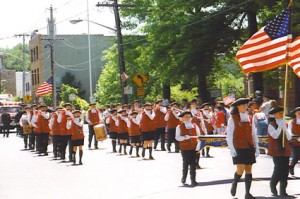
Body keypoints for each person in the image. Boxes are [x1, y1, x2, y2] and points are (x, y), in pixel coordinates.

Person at [226, 98, 259, 199]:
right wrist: (231, 149)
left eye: (246, 105)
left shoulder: (250, 117)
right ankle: (235, 182)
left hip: (249, 146)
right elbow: (229, 135)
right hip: (238, 146)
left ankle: (247, 193)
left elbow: (254, 133)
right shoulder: (233, 118)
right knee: (240, 169)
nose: (245, 107)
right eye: (243, 105)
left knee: (249, 168)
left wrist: (257, 147)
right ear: (238, 107)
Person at [268, 107, 292, 196]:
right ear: (275, 114)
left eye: (282, 112)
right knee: (278, 169)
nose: (281, 114)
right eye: (279, 113)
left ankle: (283, 191)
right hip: (276, 150)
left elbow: (289, 137)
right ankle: (273, 184)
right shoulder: (271, 125)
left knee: (285, 170)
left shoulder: (284, 123)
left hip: (285, 149)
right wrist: (280, 127)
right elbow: (275, 136)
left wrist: (285, 128)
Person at [175, 111, 200, 186]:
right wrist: (184, 137)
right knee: (186, 162)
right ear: (182, 118)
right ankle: (184, 177)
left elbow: (199, 136)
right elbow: (177, 137)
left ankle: (193, 180)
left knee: (193, 163)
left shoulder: (195, 126)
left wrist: (198, 143)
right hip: (185, 147)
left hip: (194, 147)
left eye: (189, 116)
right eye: (186, 116)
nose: (188, 118)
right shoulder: (179, 126)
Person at [288, 107, 300, 176]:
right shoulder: (292, 122)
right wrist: (296, 137)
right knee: (296, 156)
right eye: (298, 113)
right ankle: (291, 166)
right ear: (295, 114)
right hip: (295, 141)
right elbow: (289, 131)